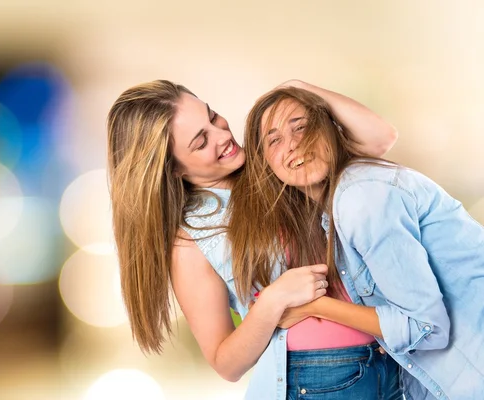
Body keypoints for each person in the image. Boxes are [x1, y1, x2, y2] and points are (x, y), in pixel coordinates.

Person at [106, 79, 398, 399]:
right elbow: (226, 364)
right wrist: (273, 301)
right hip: (318, 382)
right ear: (172, 168)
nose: (223, 135)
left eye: (213, 116)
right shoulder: (191, 239)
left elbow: (380, 138)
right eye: (201, 141)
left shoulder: (273, 163)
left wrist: (297, 88)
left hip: (391, 360)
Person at [236, 86, 484, 399]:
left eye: (302, 126)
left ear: (331, 131)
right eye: (274, 140)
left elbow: (426, 327)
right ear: (265, 163)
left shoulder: (359, 196)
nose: (294, 144)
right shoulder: (332, 211)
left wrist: (314, 306)